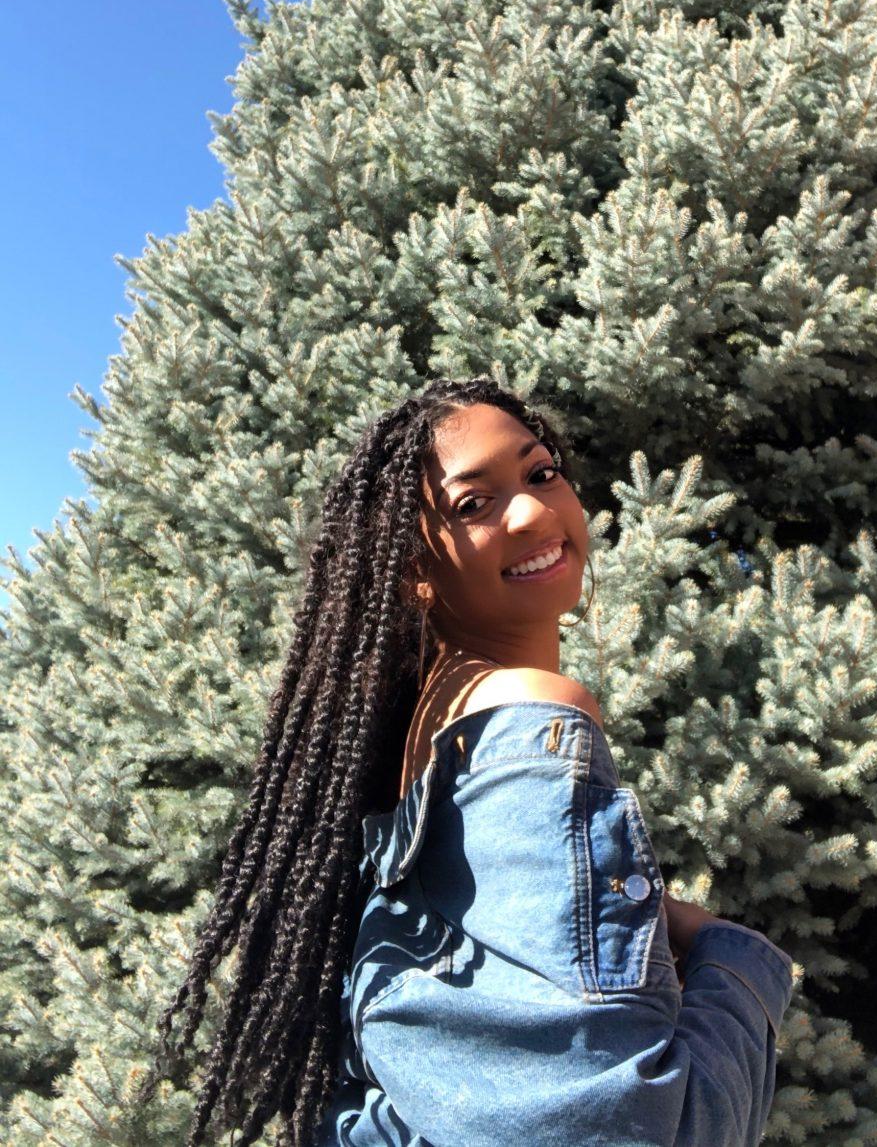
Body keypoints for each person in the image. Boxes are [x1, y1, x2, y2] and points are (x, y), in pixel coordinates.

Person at [134, 376, 794, 1147]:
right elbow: (624, 1131)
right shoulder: (530, 715)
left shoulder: (433, 722)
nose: (534, 510)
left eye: (541, 472)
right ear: (414, 568)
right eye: (473, 504)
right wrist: (733, 963)